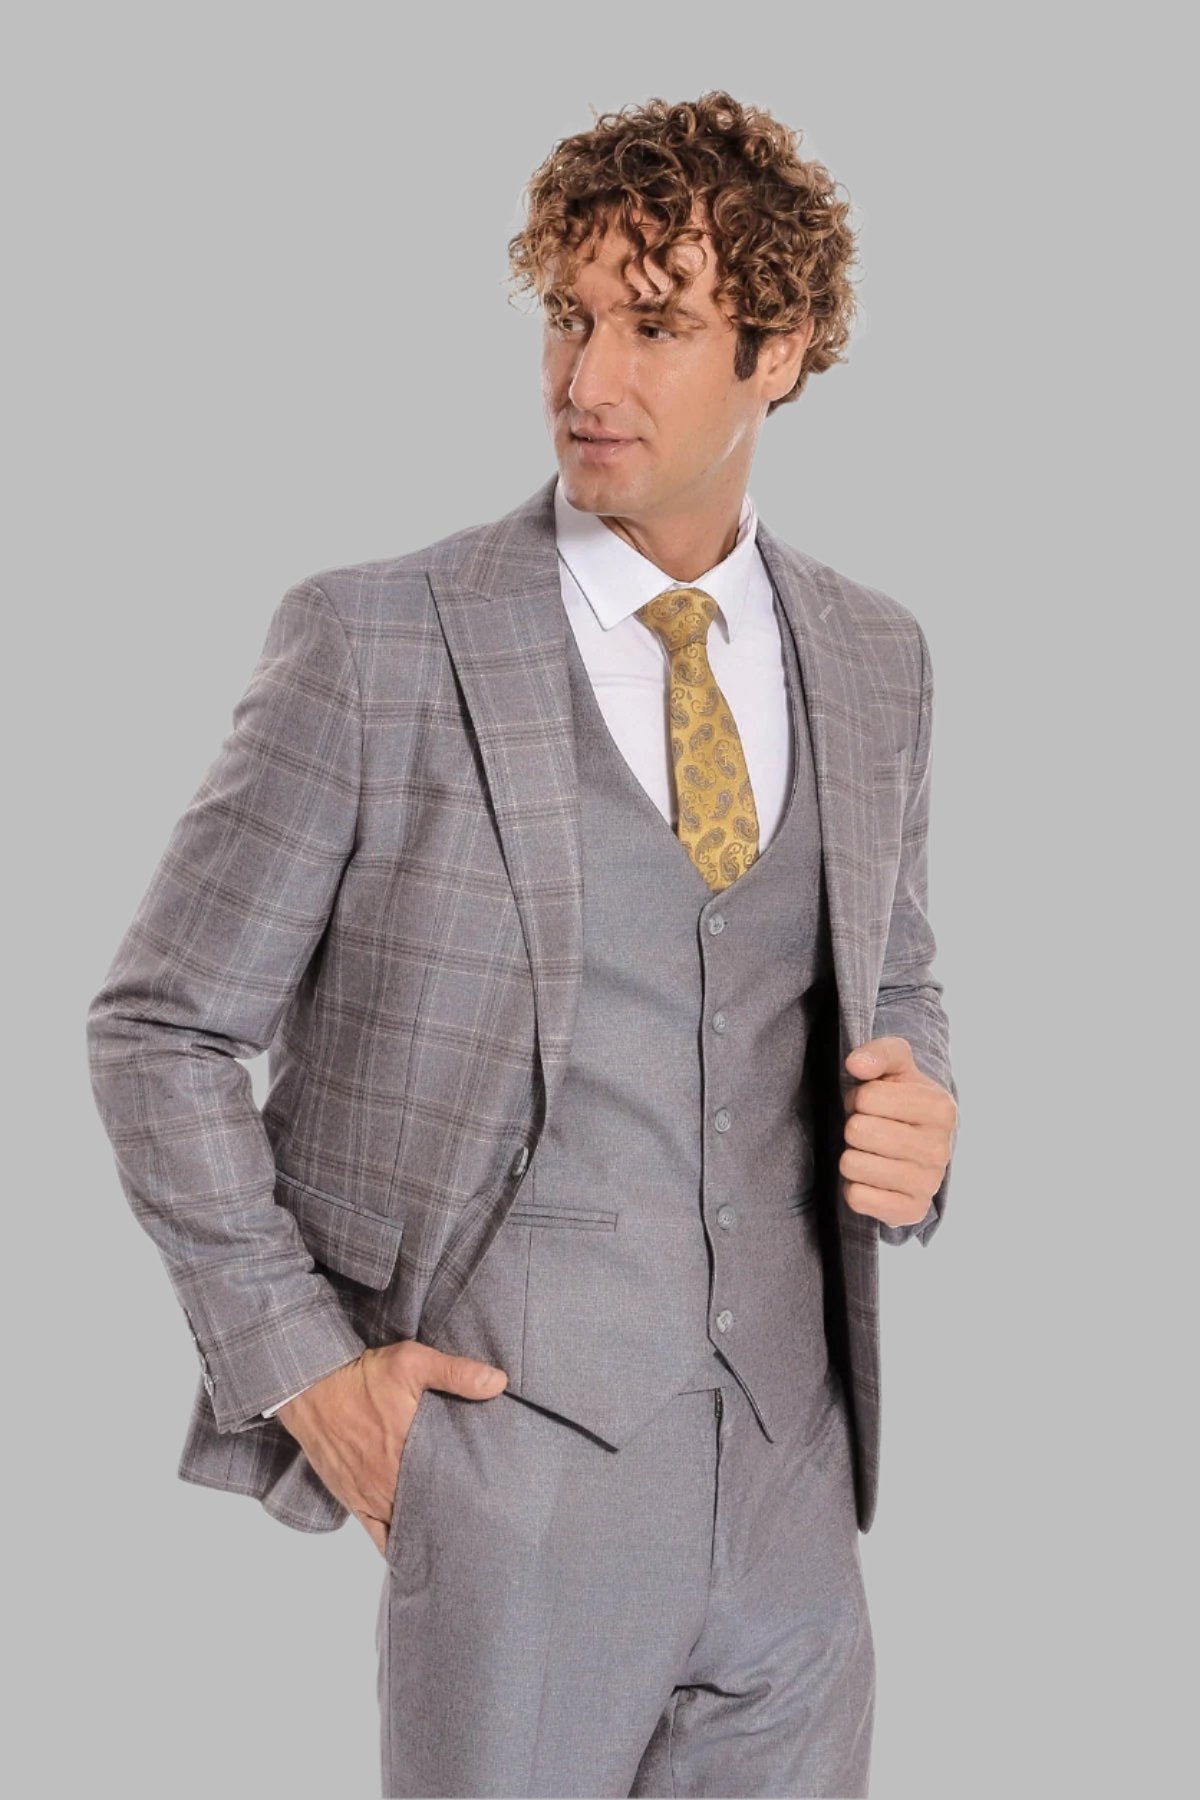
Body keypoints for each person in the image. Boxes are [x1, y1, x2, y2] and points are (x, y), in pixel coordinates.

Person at [86, 89, 959, 1799]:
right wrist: (306, 1372)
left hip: (796, 1516)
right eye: (568, 316)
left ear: (780, 353)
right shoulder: (379, 641)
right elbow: (161, 1031)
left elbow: (889, 966)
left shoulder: (876, 654)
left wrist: (923, 1115)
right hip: (517, 1493)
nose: (586, 379)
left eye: (656, 327)